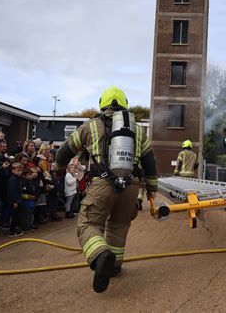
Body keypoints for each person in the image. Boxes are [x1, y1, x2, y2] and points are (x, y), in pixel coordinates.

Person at [55, 86, 158, 293]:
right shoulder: (138, 130)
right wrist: (151, 189)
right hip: (131, 187)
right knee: (119, 226)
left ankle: (100, 255)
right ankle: (114, 266)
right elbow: (150, 162)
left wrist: (58, 171)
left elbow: (65, 152)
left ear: (102, 104)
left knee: (89, 223)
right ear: (125, 104)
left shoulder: (90, 126)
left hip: (102, 184)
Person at [7, 162, 25, 237]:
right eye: (18, 170)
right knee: (15, 216)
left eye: (21, 170)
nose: (20, 172)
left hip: (18, 200)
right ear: (13, 170)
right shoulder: (13, 179)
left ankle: (16, 229)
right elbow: (11, 191)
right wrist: (14, 202)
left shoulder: (17, 179)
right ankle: (12, 231)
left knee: (18, 215)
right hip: (15, 201)